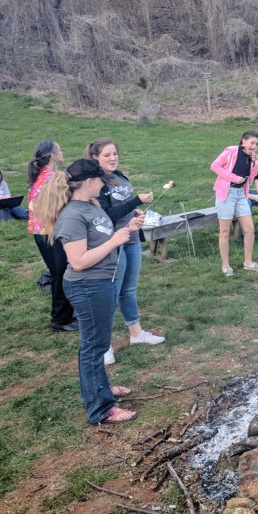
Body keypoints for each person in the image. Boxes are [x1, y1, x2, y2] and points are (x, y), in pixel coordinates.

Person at [35, 158, 142, 425]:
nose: (104, 186)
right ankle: (101, 408)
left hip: (101, 282)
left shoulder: (91, 205)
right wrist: (115, 241)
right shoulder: (72, 215)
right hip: (88, 285)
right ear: (90, 181)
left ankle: (100, 388)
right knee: (94, 348)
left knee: (97, 343)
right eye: (101, 181)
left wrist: (127, 229)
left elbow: (100, 237)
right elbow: (79, 261)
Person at [86, 138, 164, 365]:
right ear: (95, 158)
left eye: (115, 154)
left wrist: (135, 211)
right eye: (107, 155)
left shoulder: (118, 175)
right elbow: (106, 215)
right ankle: (104, 346)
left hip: (131, 238)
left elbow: (123, 205)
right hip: (113, 242)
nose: (113, 158)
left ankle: (136, 334)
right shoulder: (96, 183)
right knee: (111, 293)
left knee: (128, 289)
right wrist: (136, 201)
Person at [28, 140, 78, 332]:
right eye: (60, 150)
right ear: (53, 156)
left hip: (41, 232)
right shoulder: (53, 177)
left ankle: (64, 314)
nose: (62, 152)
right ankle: (60, 319)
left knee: (59, 273)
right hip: (50, 232)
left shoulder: (42, 175)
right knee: (61, 274)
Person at [211, 131, 258, 276]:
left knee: (250, 229)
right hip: (227, 194)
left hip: (241, 194)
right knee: (225, 231)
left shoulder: (251, 157)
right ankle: (225, 266)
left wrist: (257, 166)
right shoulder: (232, 151)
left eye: (256, 144)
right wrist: (234, 178)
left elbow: (249, 179)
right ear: (243, 141)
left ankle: (248, 262)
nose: (254, 146)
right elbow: (215, 166)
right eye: (252, 143)